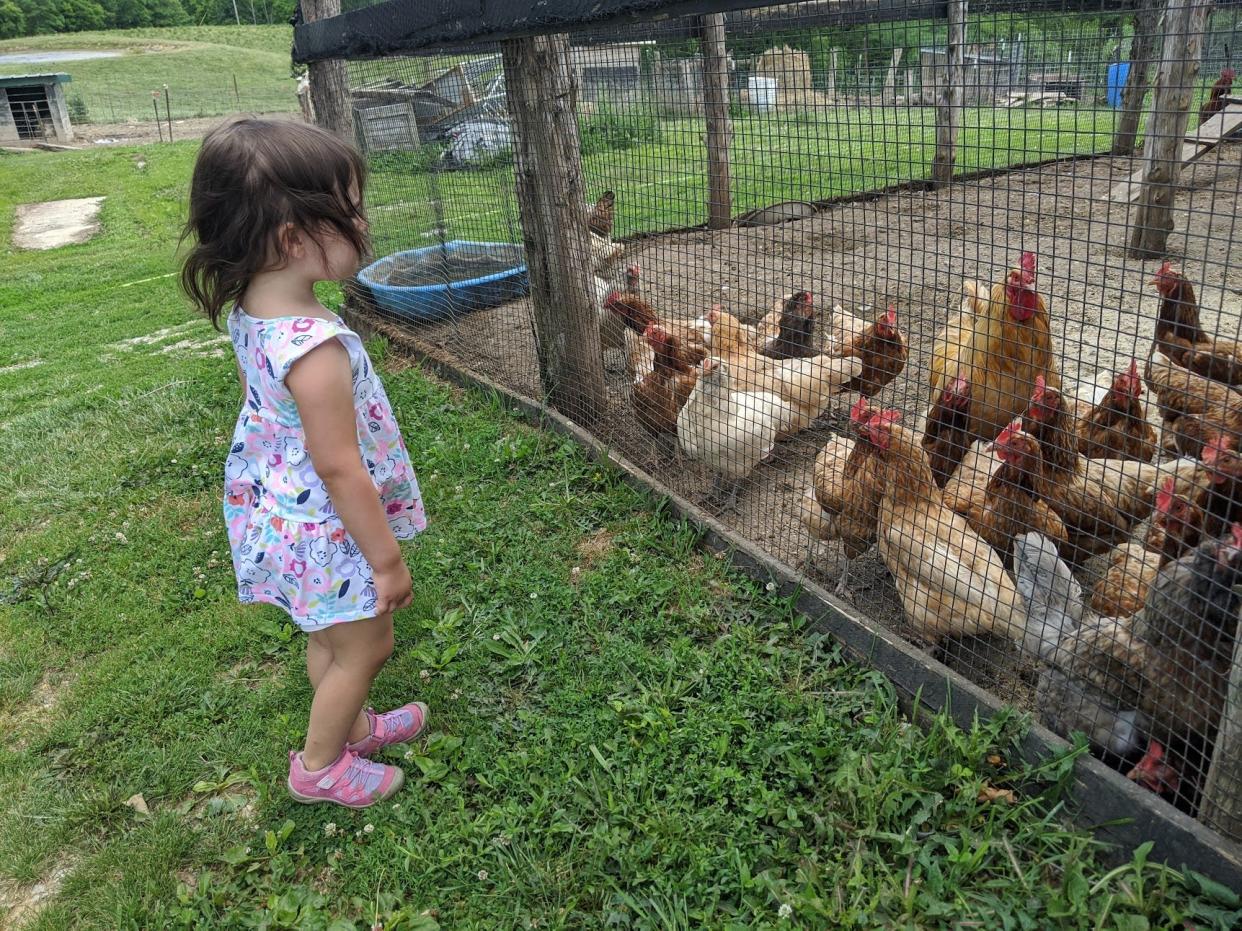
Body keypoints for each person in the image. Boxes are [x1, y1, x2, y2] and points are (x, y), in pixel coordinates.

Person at [181, 118, 428, 808]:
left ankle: (350, 725)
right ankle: (319, 766)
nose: (364, 221)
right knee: (366, 645)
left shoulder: (250, 311)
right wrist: (386, 561)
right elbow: (341, 467)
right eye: (349, 211)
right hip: (326, 526)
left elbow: (264, 414)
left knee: (329, 630)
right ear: (295, 240)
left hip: (282, 514)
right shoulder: (314, 348)